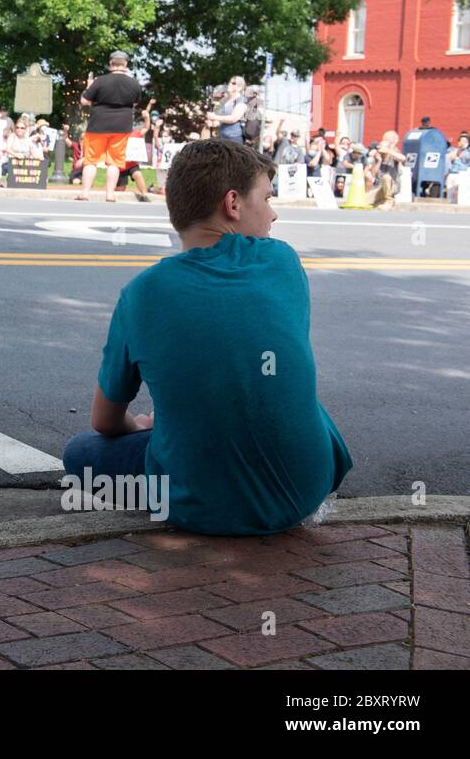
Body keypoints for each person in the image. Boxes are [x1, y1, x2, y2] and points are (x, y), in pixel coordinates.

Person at [62, 138, 353, 535]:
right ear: (233, 205)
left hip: (195, 507)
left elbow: (105, 422)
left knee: (80, 453)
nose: (274, 214)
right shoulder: (284, 262)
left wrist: (145, 425)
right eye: (266, 199)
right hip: (305, 490)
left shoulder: (142, 292)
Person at [78, 51, 141, 201]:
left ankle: (85, 193)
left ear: (111, 63)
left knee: (91, 160)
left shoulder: (100, 81)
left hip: (98, 125)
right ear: (125, 64)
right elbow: (136, 102)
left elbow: (84, 101)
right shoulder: (134, 83)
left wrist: (89, 87)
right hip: (122, 126)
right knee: (114, 161)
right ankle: (110, 195)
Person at [206, 76, 248, 143]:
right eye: (230, 82)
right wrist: (214, 123)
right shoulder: (227, 100)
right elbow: (222, 118)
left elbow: (233, 118)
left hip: (234, 139)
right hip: (222, 137)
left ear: (240, 88)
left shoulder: (241, 100)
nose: (230, 84)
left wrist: (215, 117)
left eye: (233, 83)